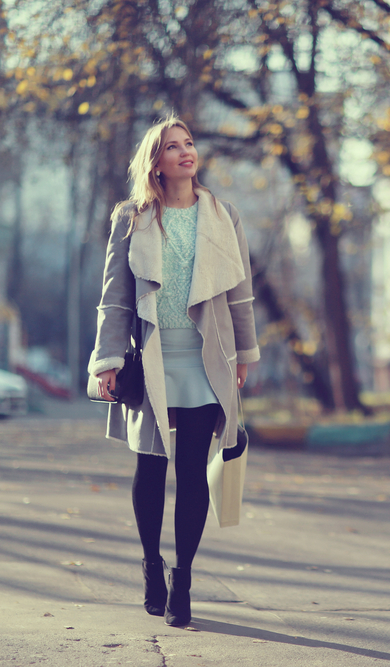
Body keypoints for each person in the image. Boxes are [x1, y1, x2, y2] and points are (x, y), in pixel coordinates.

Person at [87, 114, 260, 627]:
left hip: (208, 359)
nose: (186, 152)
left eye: (189, 144)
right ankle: (151, 567)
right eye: (172, 147)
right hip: (154, 360)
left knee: (192, 474)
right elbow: (114, 297)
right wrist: (108, 359)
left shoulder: (223, 214)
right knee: (149, 467)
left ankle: (182, 580)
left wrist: (244, 356)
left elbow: (240, 295)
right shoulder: (132, 217)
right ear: (155, 162)